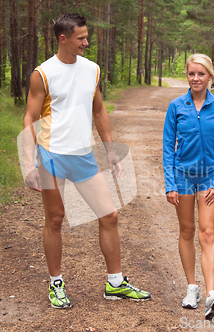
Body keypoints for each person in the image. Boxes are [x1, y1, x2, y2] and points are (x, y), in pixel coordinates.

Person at [22, 13, 151, 309]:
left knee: (109, 216)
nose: (86, 42)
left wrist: (109, 149)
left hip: (82, 155)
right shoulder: (43, 74)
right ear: (63, 39)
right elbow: (29, 117)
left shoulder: (91, 69)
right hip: (51, 155)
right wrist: (28, 164)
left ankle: (115, 283)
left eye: (86, 36)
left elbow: (99, 109)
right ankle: (56, 283)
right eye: (81, 38)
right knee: (55, 219)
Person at [162, 54, 214, 320]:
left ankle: (212, 295)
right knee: (187, 230)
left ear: (210, 77)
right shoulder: (176, 106)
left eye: (201, 74)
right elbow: (168, 148)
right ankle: (192, 288)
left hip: (209, 179)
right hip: (182, 177)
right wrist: (171, 185)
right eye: (191, 74)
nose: (196, 78)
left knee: (207, 232)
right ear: (187, 76)